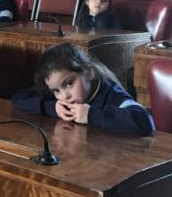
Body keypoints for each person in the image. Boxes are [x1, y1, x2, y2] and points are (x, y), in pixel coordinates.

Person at [12, 42, 154, 136]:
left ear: (88, 72)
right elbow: (18, 97)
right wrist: (53, 108)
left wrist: (91, 115)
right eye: (56, 91)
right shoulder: (60, 97)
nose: (64, 96)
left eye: (69, 83)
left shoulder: (112, 94)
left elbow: (145, 122)